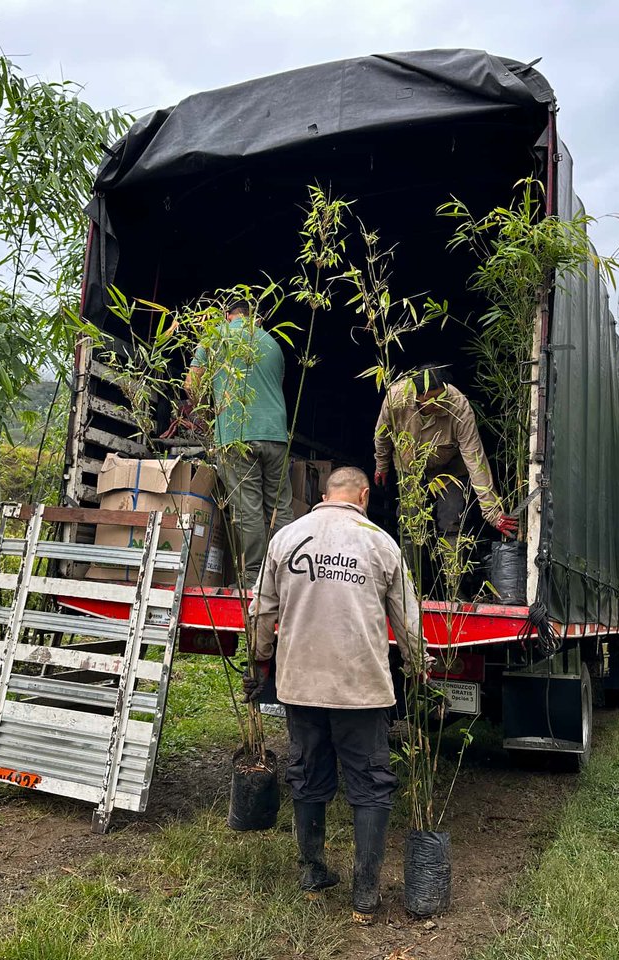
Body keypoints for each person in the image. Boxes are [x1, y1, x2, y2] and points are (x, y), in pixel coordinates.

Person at [247, 466, 428, 923]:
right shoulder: (380, 542)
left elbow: (262, 610)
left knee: (307, 774)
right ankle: (365, 892)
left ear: (325, 496)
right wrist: (419, 668)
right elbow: (408, 621)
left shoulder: (285, 538)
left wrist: (260, 660)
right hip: (361, 688)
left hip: (300, 685)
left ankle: (313, 872)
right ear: (364, 495)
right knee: (370, 785)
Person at [186, 299, 293, 588]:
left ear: (226, 315)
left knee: (248, 510)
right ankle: (284, 577)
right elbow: (275, 387)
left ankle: (253, 581)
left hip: (237, 434)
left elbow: (191, 384)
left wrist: (208, 415)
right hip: (276, 434)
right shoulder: (273, 342)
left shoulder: (215, 336)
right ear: (255, 319)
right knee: (279, 509)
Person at [373, 364, 519, 546]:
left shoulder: (459, 406)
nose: (439, 403)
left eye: (442, 396)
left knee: (451, 520)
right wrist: (382, 464)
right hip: (410, 465)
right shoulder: (395, 398)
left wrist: (492, 513)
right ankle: (409, 573)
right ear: (417, 395)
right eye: (431, 398)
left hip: (451, 469)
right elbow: (382, 435)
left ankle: (451, 574)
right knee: (409, 522)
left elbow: (475, 458)